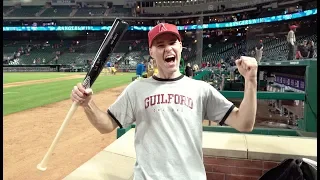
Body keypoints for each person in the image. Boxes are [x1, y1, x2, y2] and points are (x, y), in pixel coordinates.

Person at [70, 23, 258, 180]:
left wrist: (251, 81)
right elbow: (106, 125)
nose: (167, 48)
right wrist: (88, 104)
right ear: (151, 52)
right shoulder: (137, 89)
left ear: (180, 47)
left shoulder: (201, 89)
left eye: (172, 42)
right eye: (160, 45)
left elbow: (244, 123)